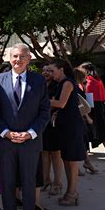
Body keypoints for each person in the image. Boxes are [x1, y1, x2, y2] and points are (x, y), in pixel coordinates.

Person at [0, 44, 50, 210]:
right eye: (15, 56)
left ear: (29, 59)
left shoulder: (39, 81)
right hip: (6, 143)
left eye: (22, 56)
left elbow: (45, 111)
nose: (18, 60)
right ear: (10, 58)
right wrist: (6, 133)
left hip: (30, 143)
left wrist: (31, 133)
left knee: (28, 185)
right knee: (8, 185)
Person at [49, 60, 86, 206]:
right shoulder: (61, 83)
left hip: (71, 126)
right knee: (66, 159)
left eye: (52, 71)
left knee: (71, 161)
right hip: (64, 126)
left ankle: (72, 192)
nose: (50, 74)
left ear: (61, 69)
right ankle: (70, 192)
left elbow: (61, 103)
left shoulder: (67, 83)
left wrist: (41, 99)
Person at [40, 64, 64, 195]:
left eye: (49, 70)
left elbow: (58, 103)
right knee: (44, 152)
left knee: (55, 154)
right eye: (44, 70)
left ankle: (57, 182)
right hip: (42, 123)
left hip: (54, 123)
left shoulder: (58, 85)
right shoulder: (39, 85)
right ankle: (46, 180)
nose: (46, 73)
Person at [79, 62, 105, 160]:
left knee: (99, 129)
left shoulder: (89, 82)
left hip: (94, 107)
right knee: (102, 128)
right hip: (101, 105)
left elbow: (89, 99)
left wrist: (87, 114)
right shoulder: (98, 80)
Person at [73, 66, 98, 174]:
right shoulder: (74, 87)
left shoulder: (78, 86)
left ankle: (84, 163)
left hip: (80, 118)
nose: (87, 77)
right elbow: (79, 104)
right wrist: (87, 117)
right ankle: (78, 165)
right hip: (78, 118)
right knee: (78, 142)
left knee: (82, 142)